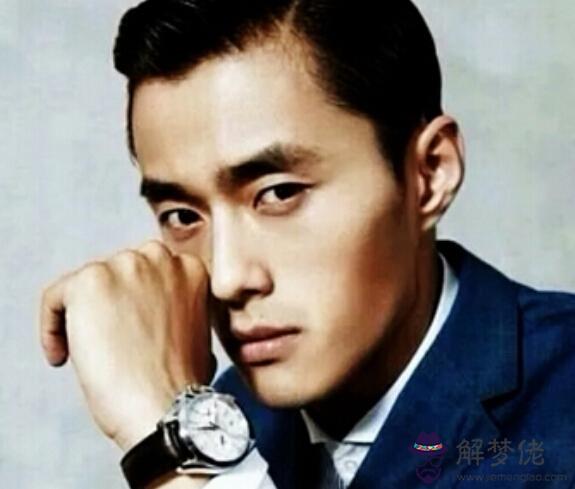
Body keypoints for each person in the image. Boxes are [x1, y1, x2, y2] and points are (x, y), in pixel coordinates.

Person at [40, 0, 575, 488]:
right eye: (183, 216)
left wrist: (170, 451)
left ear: (429, 175)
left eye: (279, 194)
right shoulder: (234, 416)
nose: (227, 278)